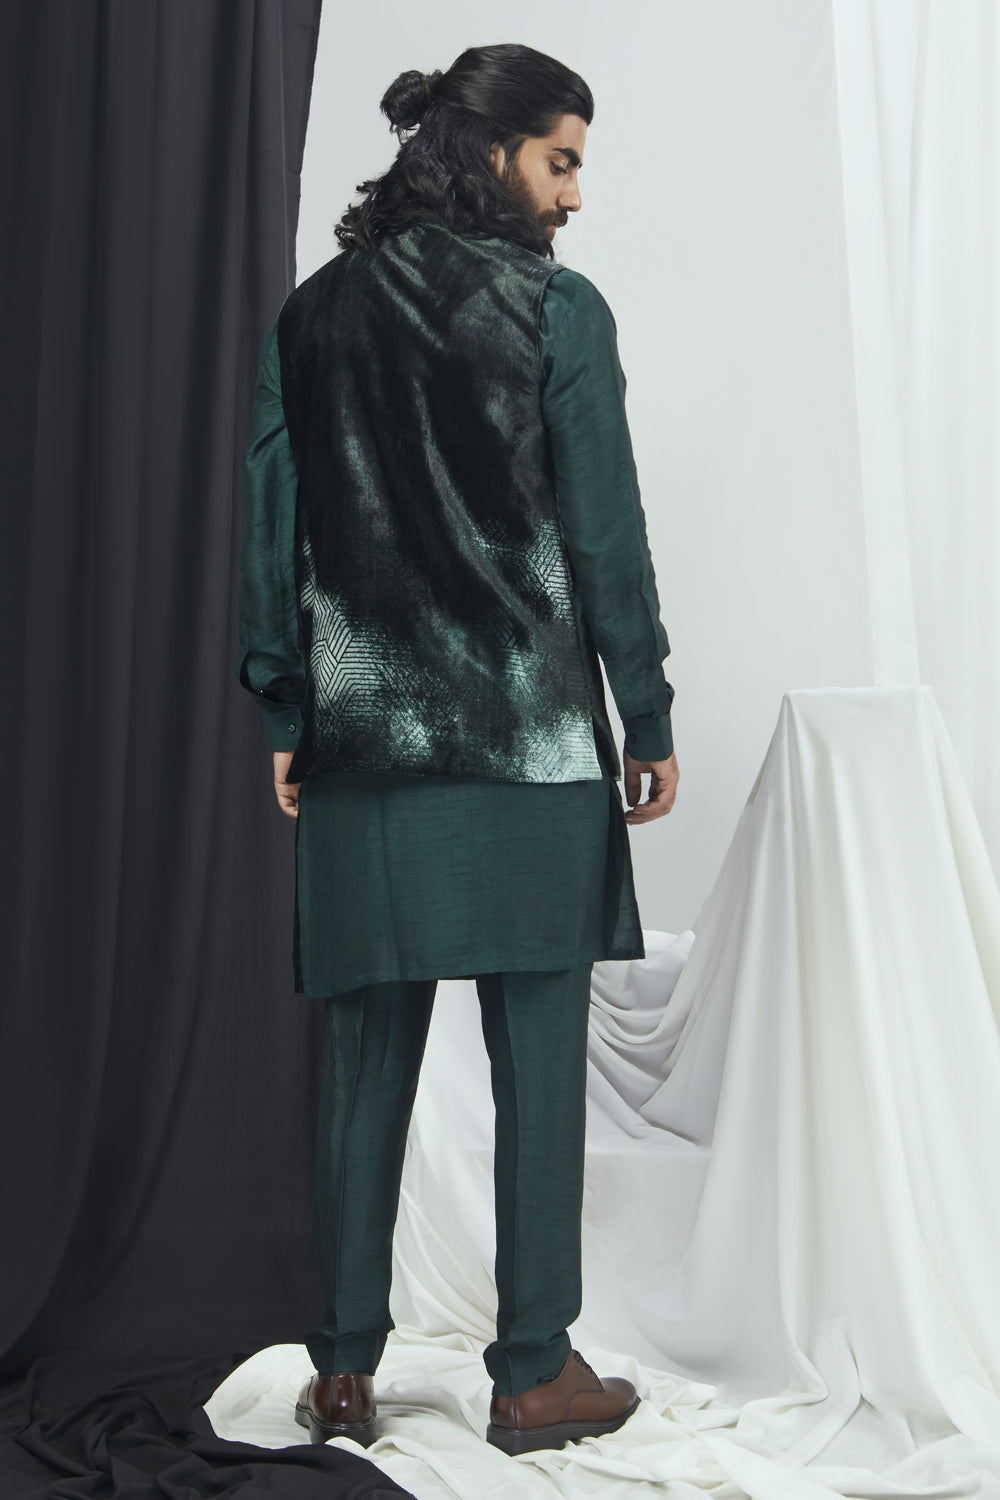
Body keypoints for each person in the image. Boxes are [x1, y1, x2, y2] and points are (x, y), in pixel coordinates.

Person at [235, 41, 679, 1457]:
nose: (574, 195)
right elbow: (604, 530)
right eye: (562, 160)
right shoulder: (558, 311)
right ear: (495, 154)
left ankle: (343, 1370)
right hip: (529, 750)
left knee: (365, 1058)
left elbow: (272, 531)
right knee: (536, 1063)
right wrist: (647, 711)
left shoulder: (312, 315)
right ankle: (533, 1373)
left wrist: (290, 711)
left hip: (367, 747)